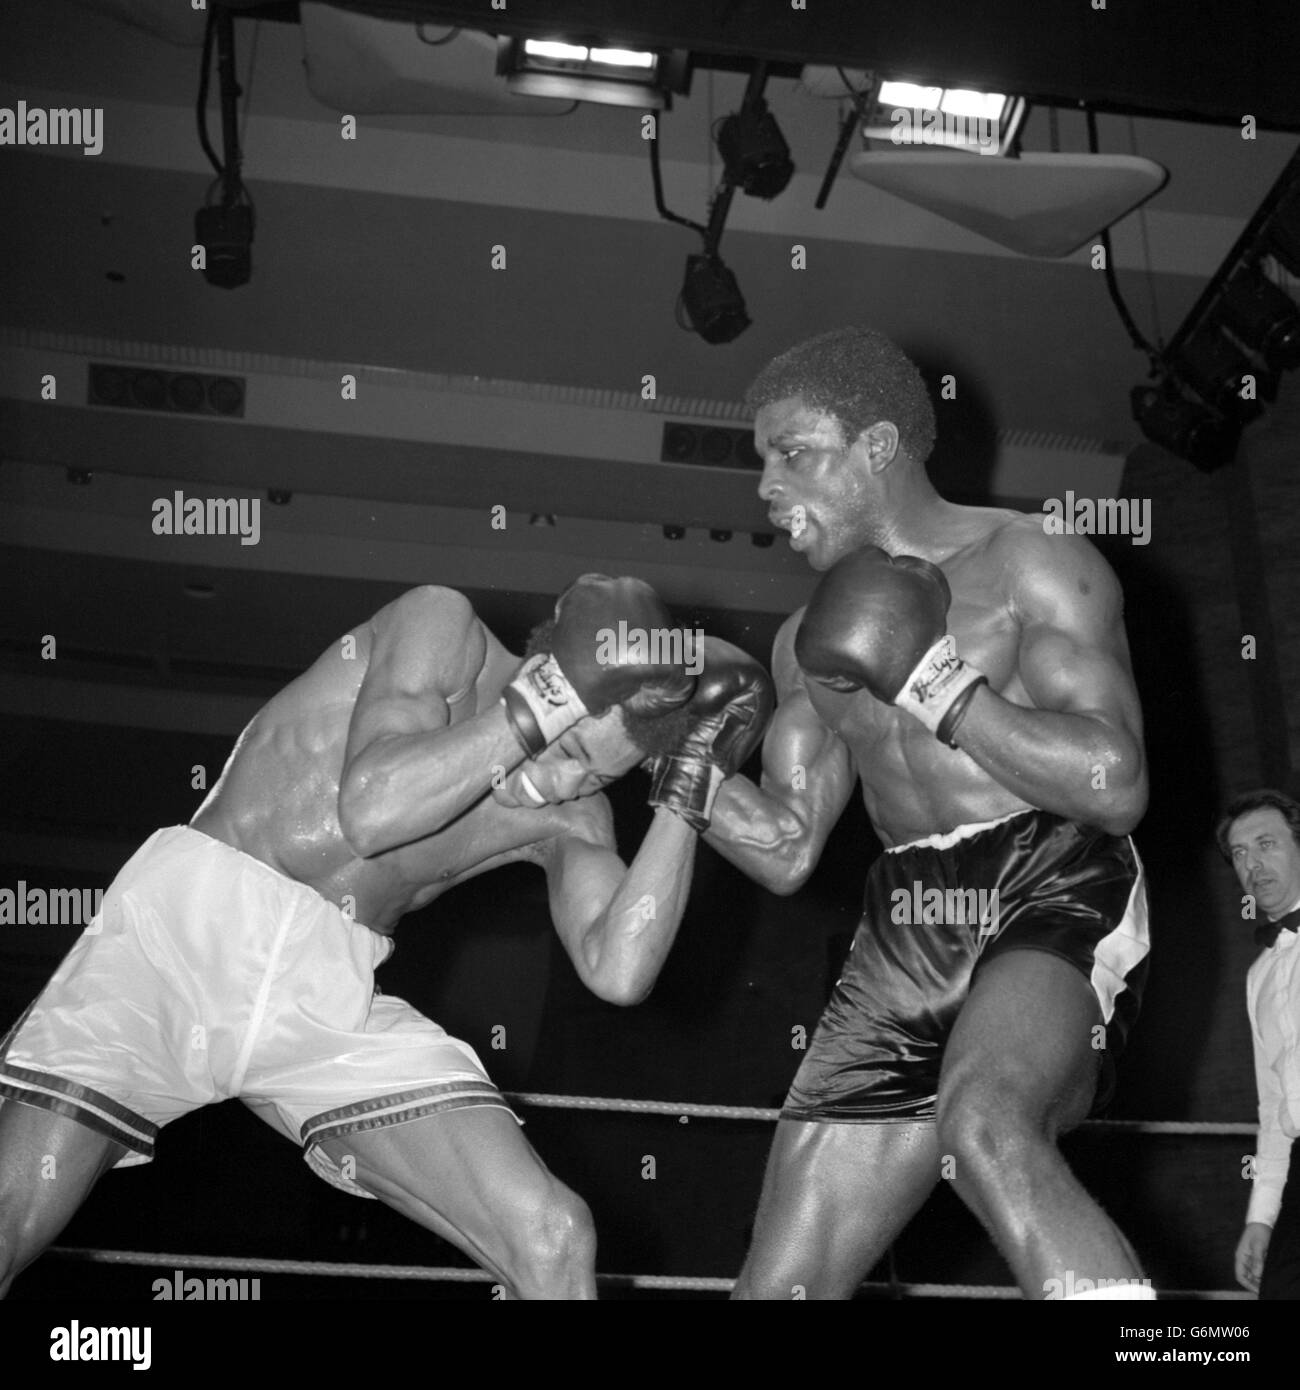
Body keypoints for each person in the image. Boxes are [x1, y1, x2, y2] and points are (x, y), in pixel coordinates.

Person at [0, 575, 773, 1299]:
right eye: (571, 752)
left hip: (330, 991)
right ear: (546, 675)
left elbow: (619, 969)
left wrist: (689, 787)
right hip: (188, 927)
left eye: (599, 778)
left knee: (553, 1237)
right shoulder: (444, 628)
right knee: (11, 1221)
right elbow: (369, 812)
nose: (569, 785)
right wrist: (535, 713)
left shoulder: (571, 817)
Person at [704, 326, 1153, 1300]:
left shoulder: (1030, 559)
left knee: (984, 1122)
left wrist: (938, 682)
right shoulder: (801, 642)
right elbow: (785, 848)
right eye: (761, 462)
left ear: (876, 445)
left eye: (793, 452)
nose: (766, 486)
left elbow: (1114, 784)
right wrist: (683, 767)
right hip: (906, 910)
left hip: (1050, 867)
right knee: (782, 1278)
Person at [1219, 789, 1300, 1300]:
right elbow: (1274, 1109)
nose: (1252, 863)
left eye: (1266, 843)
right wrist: (1262, 1218)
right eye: (1240, 854)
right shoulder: (1260, 976)